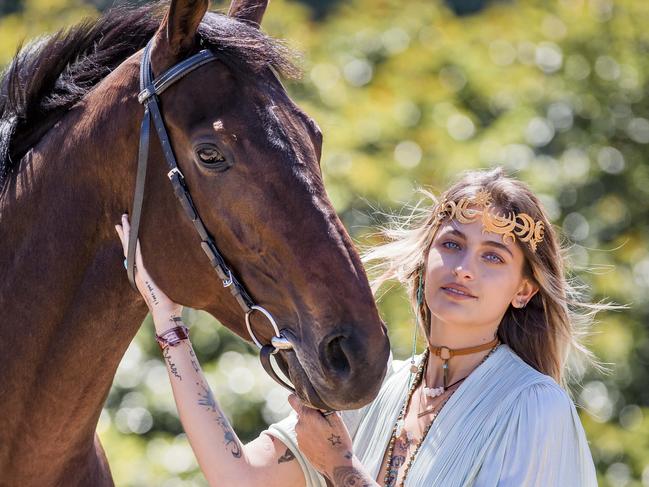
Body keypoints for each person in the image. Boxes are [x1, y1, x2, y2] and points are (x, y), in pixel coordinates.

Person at [115, 167, 606, 486]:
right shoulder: (377, 388)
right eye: (452, 244)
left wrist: (342, 469)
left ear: (524, 291)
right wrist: (169, 322)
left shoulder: (533, 408)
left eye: (493, 256)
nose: (464, 269)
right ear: (426, 256)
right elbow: (235, 475)